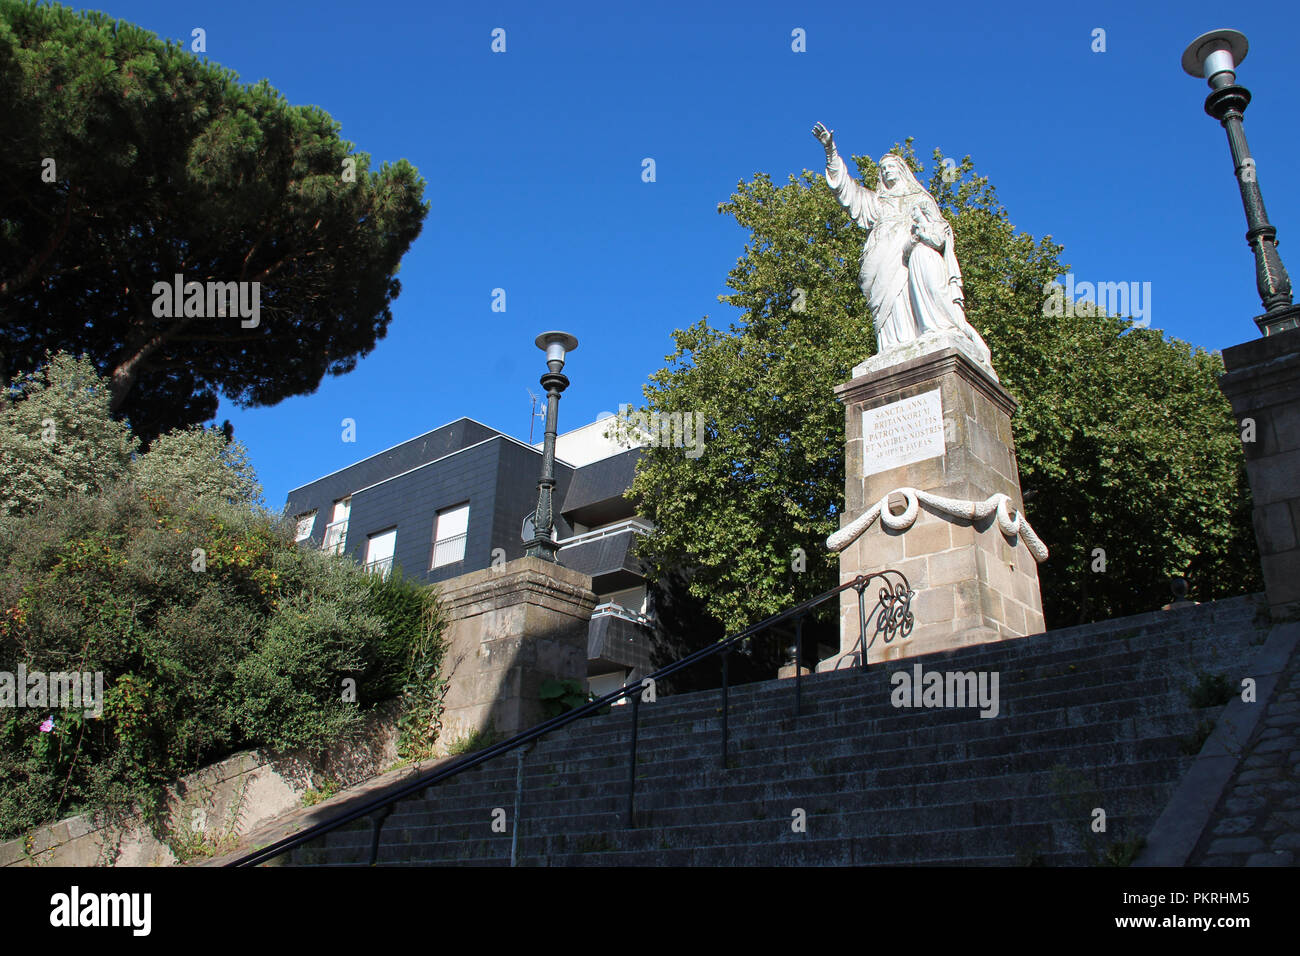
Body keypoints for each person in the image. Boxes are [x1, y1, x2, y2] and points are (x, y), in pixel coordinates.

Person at [812, 122, 993, 368]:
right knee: (890, 309)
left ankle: (930, 330)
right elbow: (846, 190)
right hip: (881, 260)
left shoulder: (920, 199)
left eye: (891, 167)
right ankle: (893, 348)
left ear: (902, 170)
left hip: (914, 256)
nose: (887, 171)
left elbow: (939, 233)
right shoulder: (876, 203)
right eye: (883, 169)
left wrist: (921, 235)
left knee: (920, 274)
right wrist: (830, 151)